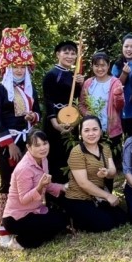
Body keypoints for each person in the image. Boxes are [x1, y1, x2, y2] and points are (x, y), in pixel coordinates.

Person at [0, 27, 42, 246]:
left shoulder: (30, 89)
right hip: (8, 142)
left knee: (29, 181)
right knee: (8, 182)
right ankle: (4, 229)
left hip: (28, 140)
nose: (19, 70)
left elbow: (39, 111)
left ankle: (25, 222)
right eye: (15, 66)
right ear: (8, 68)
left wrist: (33, 116)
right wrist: (9, 144)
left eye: (22, 66)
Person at [2, 130, 68, 250]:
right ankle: (19, 241)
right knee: (50, 229)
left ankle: (32, 233)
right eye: (37, 145)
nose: (43, 148)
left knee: (61, 220)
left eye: (45, 143)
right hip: (17, 217)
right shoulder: (24, 168)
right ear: (28, 147)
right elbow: (24, 199)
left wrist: (63, 187)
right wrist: (39, 187)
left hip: (35, 210)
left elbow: (47, 184)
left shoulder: (43, 159)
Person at [64, 116, 128, 233]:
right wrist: (108, 196)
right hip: (78, 198)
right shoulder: (77, 152)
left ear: (100, 131)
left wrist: (107, 172)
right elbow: (83, 183)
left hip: (97, 197)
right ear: (81, 133)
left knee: (122, 218)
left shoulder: (105, 149)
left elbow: (113, 172)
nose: (91, 133)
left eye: (95, 129)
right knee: (106, 224)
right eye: (86, 130)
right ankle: (73, 221)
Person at [42, 40, 84, 182]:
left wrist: (80, 84)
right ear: (57, 54)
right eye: (66, 53)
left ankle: (70, 188)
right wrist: (54, 123)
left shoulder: (73, 75)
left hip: (71, 120)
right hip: (55, 121)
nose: (70, 56)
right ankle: (54, 190)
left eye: (73, 53)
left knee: (70, 153)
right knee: (55, 154)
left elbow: (77, 98)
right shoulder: (51, 75)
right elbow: (48, 100)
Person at [80, 51, 125, 177]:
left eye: (103, 65)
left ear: (108, 65)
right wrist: (86, 113)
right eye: (96, 65)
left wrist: (119, 95)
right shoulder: (88, 83)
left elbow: (120, 107)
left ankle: (109, 187)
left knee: (110, 166)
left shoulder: (115, 82)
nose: (100, 69)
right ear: (92, 66)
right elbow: (81, 104)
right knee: (93, 163)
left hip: (111, 130)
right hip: (92, 131)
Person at [112, 34, 132, 138]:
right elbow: (115, 87)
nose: (129, 49)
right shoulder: (117, 65)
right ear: (122, 47)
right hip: (122, 110)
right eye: (126, 46)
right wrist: (124, 74)